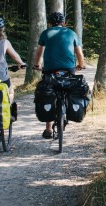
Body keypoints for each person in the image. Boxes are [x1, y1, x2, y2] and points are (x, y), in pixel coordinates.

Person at [33, 11, 85, 139]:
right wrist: (80, 65)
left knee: (49, 94)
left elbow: (39, 52)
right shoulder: (72, 33)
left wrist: (37, 65)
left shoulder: (46, 33)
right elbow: (79, 53)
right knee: (68, 89)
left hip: (50, 69)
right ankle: (67, 112)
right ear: (64, 23)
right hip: (68, 68)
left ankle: (48, 129)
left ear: (50, 23)